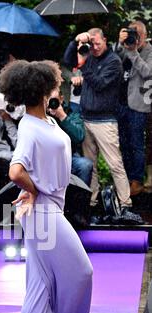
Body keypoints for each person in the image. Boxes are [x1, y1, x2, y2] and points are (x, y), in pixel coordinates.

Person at [0, 60, 96, 313]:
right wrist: (34, 189)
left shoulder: (50, 123)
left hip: (49, 208)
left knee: (42, 284)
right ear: (42, 89)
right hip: (42, 212)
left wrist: (36, 188)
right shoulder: (29, 126)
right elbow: (16, 170)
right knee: (82, 271)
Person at [63, 29, 135, 219]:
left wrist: (84, 63)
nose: (93, 47)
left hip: (105, 120)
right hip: (86, 118)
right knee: (91, 166)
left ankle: (126, 203)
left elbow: (99, 84)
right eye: (91, 43)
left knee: (115, 164)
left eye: (97, 43)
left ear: (105, 40)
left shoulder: (113, 61)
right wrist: (75, 41)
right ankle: (92, 203)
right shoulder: (89, 55)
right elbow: (67, 60)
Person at [114, 21, 152, 196]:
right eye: (131, 34)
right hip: (121, 103)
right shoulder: (125, 47)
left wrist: (133, 51)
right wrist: (119, 42)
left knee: (137, 144)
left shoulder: (149, 51)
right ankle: (127, 178)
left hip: (138, 104)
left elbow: (147, 72)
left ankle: (137, 181)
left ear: (144, 35)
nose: (134, 38)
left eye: (137, 35)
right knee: (124, 144)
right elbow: (114, 61)